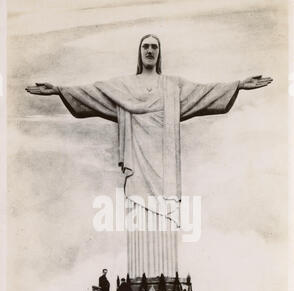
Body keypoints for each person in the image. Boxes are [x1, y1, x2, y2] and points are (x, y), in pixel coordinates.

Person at [25, 35, 273, 278]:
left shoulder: (173, 86)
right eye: (146, 46)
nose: (150, 51)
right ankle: (139, 280)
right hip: (137, 163)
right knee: (139, 219)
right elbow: (94, 93)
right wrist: (59, 90)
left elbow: (204, 92)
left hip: (164, 167)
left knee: (163, 218)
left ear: (159, 53)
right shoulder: (123, 87)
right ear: (140, 52)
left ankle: (163, 278)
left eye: (155, 47)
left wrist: (238, 85)